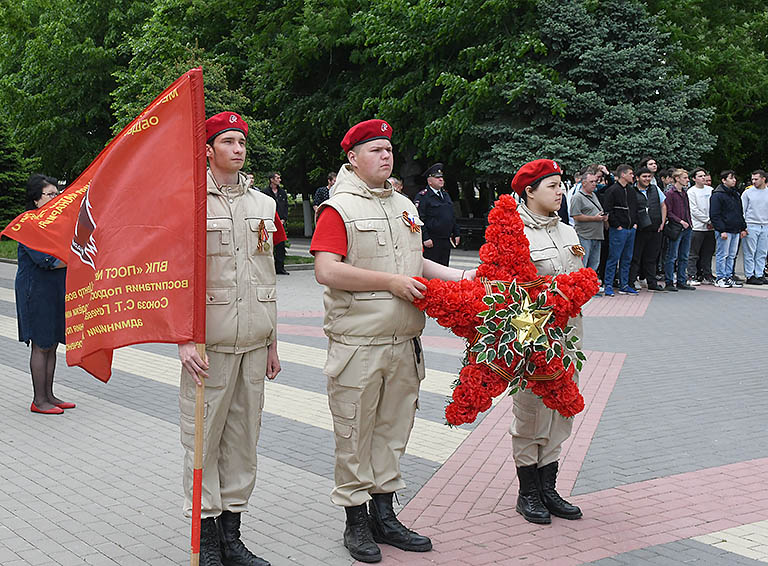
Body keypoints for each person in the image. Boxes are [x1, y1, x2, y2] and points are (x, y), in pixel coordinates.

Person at [311, 119, 474, 563]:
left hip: (405, 342)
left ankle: (385, 514)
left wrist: (463, 278)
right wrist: (391, 283)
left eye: (389, 149)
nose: (386, 156)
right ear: (353, 158)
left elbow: (415, 261)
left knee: (393, 432)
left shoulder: (404, 205)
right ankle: (356, 521)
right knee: (355, 433)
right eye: (375, 150)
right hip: (359, 346)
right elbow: (327, 270)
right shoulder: (337, 208)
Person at [177, 112, 287, 566]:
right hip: (208, 347)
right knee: (202, 440)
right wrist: (184, 338)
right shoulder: (187, 201)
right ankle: (205, 541)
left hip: (253, 342)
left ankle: (232, 538)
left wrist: (273, 344)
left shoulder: (264, 204)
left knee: (243, 440)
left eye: (241, 141)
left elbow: (267, 277)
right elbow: (178, 278)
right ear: (208, 149)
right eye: (227, 141)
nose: (238, 148)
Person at [508, 159, 584, 525]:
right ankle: (528, 493)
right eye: (552, 186)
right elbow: (505, 294)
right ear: (529, 191)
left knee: (559, 414)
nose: (560, 192)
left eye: (561, 185)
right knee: (531, 415)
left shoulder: (568, 232)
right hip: (532, 337)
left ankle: (549, 487)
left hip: (569, 339)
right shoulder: (513, 233)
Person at [15, 175, 73, 415]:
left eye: (58, 194)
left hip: (54, 290)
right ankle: (39, 401)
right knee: (40, 345)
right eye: (51, 194)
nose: (56, 198)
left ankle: (49, 395)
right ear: (36, 199)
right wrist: (76, 259)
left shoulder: (55, 224)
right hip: (35, 292)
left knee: (51, 344)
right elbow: (47, 261)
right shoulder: (27, 224)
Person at [628, 167, 666, 291]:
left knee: (652, 257)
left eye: (649, 177)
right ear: (637, 178)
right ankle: (631, 282)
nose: (647, 179)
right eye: (644, 177)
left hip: (655, 229)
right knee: (636, 257)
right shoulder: (631, 190)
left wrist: (662, 222)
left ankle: (652, 283)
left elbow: (663, 205)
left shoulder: (655, 189)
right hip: (639, 230)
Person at [602, 164, 638, 296]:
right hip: (618, 230)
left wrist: (635, 223)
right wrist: (616, 225)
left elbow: (635, 208)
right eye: (630, 173)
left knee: (627, 258)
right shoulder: (612, 190)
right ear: (623, 174)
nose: (632, 176)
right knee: (613, 258)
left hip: (630, 229)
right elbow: (608, 210)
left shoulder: (631, 190)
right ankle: (609, 285)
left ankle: (624, 284)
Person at [414, 163, 460, 266]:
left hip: (445, 239)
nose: (441, 180)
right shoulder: (423, 197)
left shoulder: (445, 194)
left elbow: (451, 215)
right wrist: (425, 238)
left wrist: (456, 233)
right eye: (437, 177)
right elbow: (419, 219)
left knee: (444, 267)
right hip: (432, 240)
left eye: (442, 177)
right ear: (429, 181)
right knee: (432, 270)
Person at [710, 170, 747, 288]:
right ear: (723, 180)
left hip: (735, 229)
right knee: (722, 254)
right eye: (731, 178)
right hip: (725, 230)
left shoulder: (735, 194)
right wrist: (721, 230)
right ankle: (720, 277)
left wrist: (742, 227)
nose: (734, 180)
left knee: (732, 255)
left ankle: (729, 276)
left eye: (734, 178)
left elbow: (739, 212)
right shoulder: (717, 195)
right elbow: (715, 214)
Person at [569, 166, 605, 279]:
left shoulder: (594, 195)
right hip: (584, 235)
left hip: (597, 235)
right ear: (584, 183)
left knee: (594, 263)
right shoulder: (577, 197)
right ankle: (581, 286)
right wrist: (595, 218)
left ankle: (590, 285)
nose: (594, 184)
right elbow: (576, 216)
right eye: (592, 182)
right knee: (583, 264)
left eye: (595, 181)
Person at [663, 169, 696, 291]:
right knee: (672, 255)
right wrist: (680, 221)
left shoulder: (684, 193)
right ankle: (669, 281)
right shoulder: (670, 193)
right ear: (677, 178)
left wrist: (689, 222)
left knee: (684, 255)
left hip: (687, 227)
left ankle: (682, 280)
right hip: (676, 227)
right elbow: (669, 212)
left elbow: (687, 209)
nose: (687, 180)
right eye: (685, 178)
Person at [687, 168, 715, 284]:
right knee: (694, 253)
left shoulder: (710, 190)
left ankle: (707, 274)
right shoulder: (691, 192)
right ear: (694, 179)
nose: (703, 178)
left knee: (708, 252)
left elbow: (714, 206)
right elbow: (694, 210)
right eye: (700, 176)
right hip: (697, 226)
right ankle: (692, 275)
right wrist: (707, 221)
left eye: (704, 175)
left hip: (711, 227)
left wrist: (712, 221)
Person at [740, 169, 768, 284]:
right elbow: (742, 210)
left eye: (756, 179)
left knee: (762, 251)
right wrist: (743, 226)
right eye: (752, 179)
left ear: (763, 179)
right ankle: (750, 274)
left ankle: (759, 273)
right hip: (751, 224)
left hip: (765, 225)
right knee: (750, 251)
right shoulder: (748, 193)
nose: (754, 181)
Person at [261, 172, 290, 275]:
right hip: (270, 220)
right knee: (268, 244)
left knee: (280, 244)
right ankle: (268, 267)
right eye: (277, 178)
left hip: (280, 221)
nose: (279, 180)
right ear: (271, 180)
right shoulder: (265, 192)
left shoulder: (282, 192)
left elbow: (285, 206)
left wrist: (284, 218)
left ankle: (280, 267)